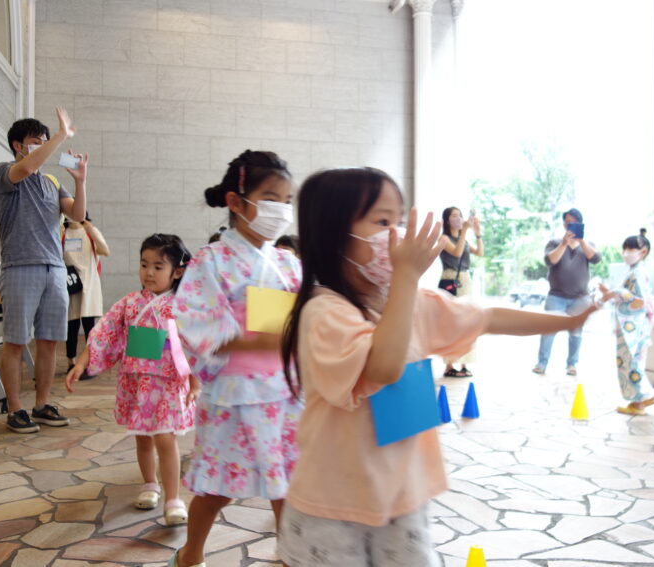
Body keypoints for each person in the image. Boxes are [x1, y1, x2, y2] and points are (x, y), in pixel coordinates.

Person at [276, 167, 596, 566]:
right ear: (335, 233)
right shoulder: (324, 313)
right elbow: (384, 368)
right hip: (332, 506)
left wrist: (567, 322)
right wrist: (407, 277)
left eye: (399, 219)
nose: (398, 233)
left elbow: (489, 318)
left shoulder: (410, 303)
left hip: (404, 497)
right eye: (382, 222)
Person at [168, 150, 301, 567]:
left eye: (288, 200)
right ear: (236, 201)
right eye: (272, 197)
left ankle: (290, 556)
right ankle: (190, 554)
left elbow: (312, 315)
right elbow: (198, 325)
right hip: (234, 396)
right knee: (216, 489)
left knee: (286, 485)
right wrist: (264, 341)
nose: (282, 209)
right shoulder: (213, 260)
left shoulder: (286, 263)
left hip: (283, 392)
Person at [66, 234, 198, 526]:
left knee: (165, 438)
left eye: (158, 266)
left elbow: (196, 344)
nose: (149, 272)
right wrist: (83, 362)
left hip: (167, 382)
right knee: (142, 438)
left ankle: (173, 498)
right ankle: (150, 483)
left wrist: (196, 380)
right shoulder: (129, 303)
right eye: (144, 264)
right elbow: (104, 331)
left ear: (177, 271)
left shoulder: (184, 305)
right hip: (137, 382)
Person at [0, 107, 88, 433]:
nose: (43, 146)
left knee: (49, 341)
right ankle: (15, 408)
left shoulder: (51, 182)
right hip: (20, 267)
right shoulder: (4, 171)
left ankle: (42, 403)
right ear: (19, 145)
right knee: (16, 342)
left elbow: (77, 214)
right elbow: (27, 167)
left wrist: (80, 181)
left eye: (46, 140)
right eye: (37, 141)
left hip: (55, 268)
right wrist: (61, 136)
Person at [532, 208, 600, 376]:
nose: (572, 226)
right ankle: (541, 363)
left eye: (576, 223)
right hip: (556, 296)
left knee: (576, 334)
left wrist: (582, 242)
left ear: (581, 225)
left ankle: (572, 365)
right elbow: (550, 261)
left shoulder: (588, 245)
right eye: (569, 222)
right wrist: (564, 243)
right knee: (548, 331)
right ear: (564, 224)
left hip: (580, 298)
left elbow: (596, 259)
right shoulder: (554, 243)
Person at [598, 229, 654, 415]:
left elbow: (638, 299)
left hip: (633, 326)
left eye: (631, 248)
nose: (627, 252)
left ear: (643, 252)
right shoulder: (634, 272)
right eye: (625, 248)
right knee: (632, 361)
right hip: (631, 325)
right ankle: (639, 400)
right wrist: (613, 292)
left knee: (631, 361)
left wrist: (613, 293)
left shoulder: (637, 272)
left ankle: (643, 397)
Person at [63, 212, 110, 379]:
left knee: (90, 326)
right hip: (71, 284)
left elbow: (105, 251)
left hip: (89, 284)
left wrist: (92, 231)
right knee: (71, 325)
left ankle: (92, 362)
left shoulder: (89, 232)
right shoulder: (63, 232)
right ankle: (71, 362)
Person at [438, 206, 484, 377]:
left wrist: (478, 233)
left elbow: (480, 252)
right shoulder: (443, 237)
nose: (459, 219)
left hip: (465, 279)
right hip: (451, 279)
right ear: (446, 221)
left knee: (467, 321)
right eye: (454, 216)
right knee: (451, 322)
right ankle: (449, 365)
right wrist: (465, 230)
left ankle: (465, 364)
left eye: (460, 215)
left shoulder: (463, 239)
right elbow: (456, 253)